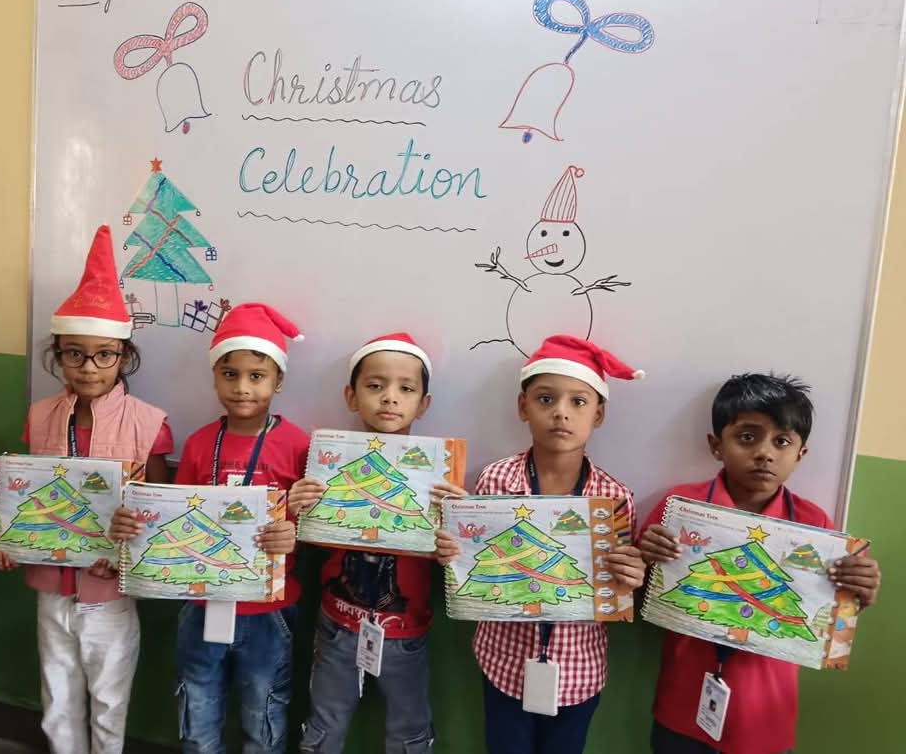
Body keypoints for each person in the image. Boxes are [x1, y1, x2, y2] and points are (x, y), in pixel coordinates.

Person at [0, 226, 173, 754]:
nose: (89, 368)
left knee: (110, 706)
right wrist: (9, 540)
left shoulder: (149, 422)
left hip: (110, 593)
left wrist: (131, 540)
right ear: (58, 354)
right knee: (57, 702)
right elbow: (24, 498)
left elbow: (157, 514)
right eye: (75, 354)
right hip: (51, 587)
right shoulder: (40, 415)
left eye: (103, 355)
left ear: (124, 355)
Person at [637, 373, 881, 754]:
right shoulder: (681, 508)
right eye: (747, 437)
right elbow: (636, 596)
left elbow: (829, 622)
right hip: (681, 710)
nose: (765, 453)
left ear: (800, 454)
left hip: (766, 719)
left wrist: (858, 593)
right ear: (716, 446)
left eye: (781, 441)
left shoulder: (815, 526)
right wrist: (644, 560)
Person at [436, 334, 647, 754]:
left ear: (599, 414)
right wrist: (451, 554)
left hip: (579, 666)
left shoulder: (614, 497)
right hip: (503, 659)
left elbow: (616, 591)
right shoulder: (496, 480)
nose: (561, 413)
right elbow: (475, 562)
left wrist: (631, 577)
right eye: (546, 399)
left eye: (578, 402)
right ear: (523, 406)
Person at [112, 303, 305, 754]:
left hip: (269, 609)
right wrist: (137, 524)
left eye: (257, 376)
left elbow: (311, 520)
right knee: (197, 710)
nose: (242, 387)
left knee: (264, 714)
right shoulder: (200, 444)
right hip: (200, 604)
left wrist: (293, 532)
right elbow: (176, 521)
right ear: (215, 376)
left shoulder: (298, 444)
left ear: (278, 380)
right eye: (230, 374)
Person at [290, 333, 463, 754]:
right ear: (351, 396)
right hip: (337, 623)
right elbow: (302, 538)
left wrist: (460, 527)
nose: (390, 397)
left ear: (423, 403)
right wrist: (295, 508)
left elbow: (455, 560)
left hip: (404, 629)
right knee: (325, 722)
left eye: (406, 388)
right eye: (375, 385)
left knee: (408, 728)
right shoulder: (325, 465)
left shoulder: (440, 479)